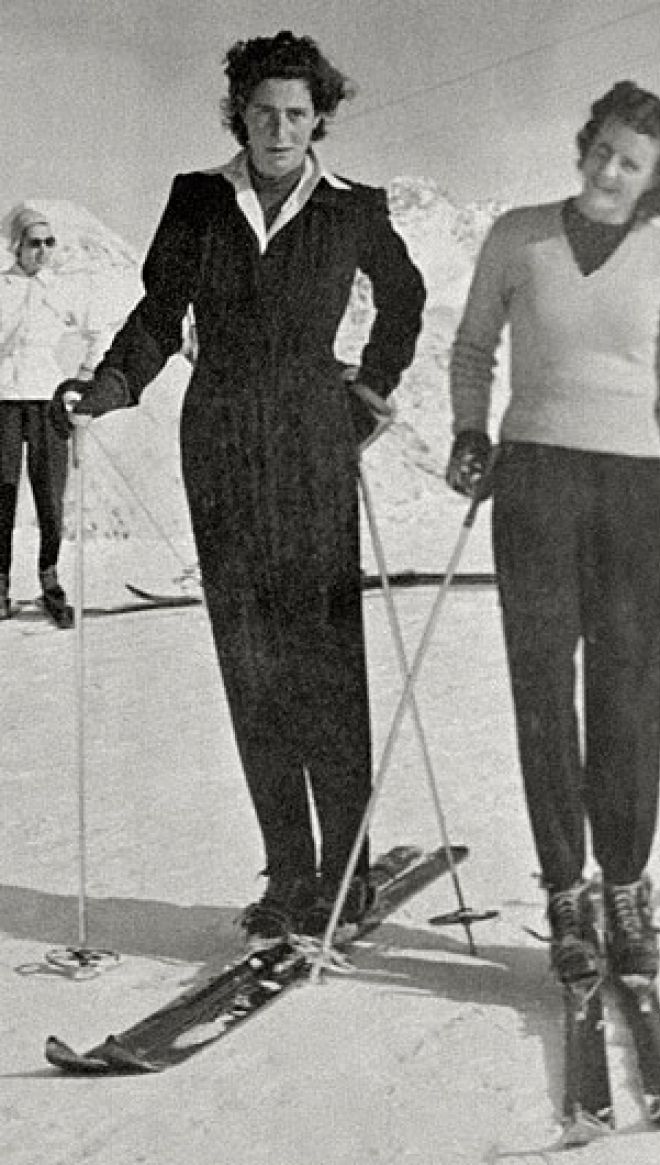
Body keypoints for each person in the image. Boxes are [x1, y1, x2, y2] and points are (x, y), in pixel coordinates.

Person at [52, 30, 426, 943]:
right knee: (249, 657)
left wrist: (370, 390)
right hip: (218, 436)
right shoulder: (197, 200)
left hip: (309, 438)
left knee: (323, 657)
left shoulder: (351, 207)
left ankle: (345, 868)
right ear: (239, 116)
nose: (279, 129)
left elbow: (404, 297)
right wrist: (108, 386)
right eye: (263, 112)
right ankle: (289, 869)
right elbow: (158, 314)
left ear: (318, 119)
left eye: (296, 113)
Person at [446, 81, 660, 985]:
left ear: (655, 177)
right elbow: (472, 346)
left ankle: (625, 885)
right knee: (542, 688)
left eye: (629, 163)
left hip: (629, 487)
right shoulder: (518, 236)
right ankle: (564, 887)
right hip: (534, 480)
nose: (606, 171)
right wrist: (469, 431)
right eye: (600, 149)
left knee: (628, 689)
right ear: (584, 144)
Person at [0, 206, 109, 627]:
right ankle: (1, 585)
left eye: (49, 242)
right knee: (3, 495)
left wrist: (83, 377)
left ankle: (50, 581)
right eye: (34, 243)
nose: (43, 251)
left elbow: (100, 332)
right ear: (17, 246)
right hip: (5, 401)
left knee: (50, 498)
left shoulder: (63, 290)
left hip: (47, 401)